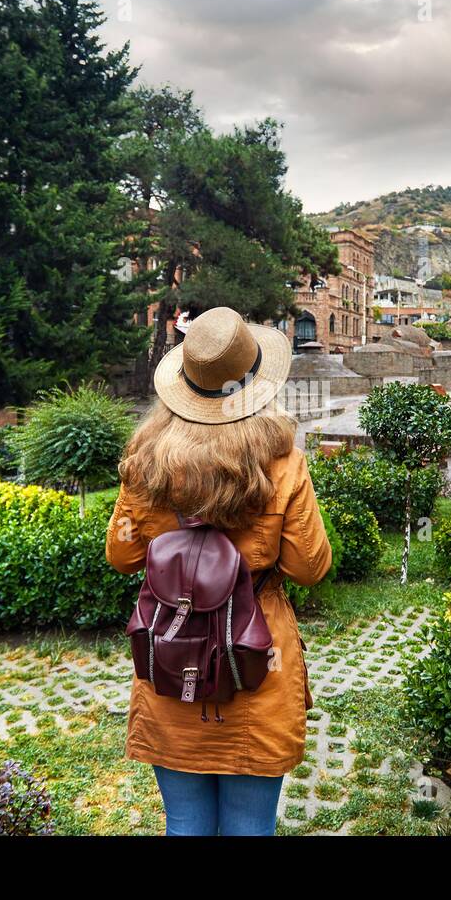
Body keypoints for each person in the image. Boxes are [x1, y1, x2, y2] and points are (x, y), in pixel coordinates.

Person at [106, 306, 332, 835]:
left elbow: (122, 557)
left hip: (171, 662)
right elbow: (308, 567)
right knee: (251, 826)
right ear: (255, 383)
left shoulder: (144, 462)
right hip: (254, 662)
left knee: (184, 823)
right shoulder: (283, 463)